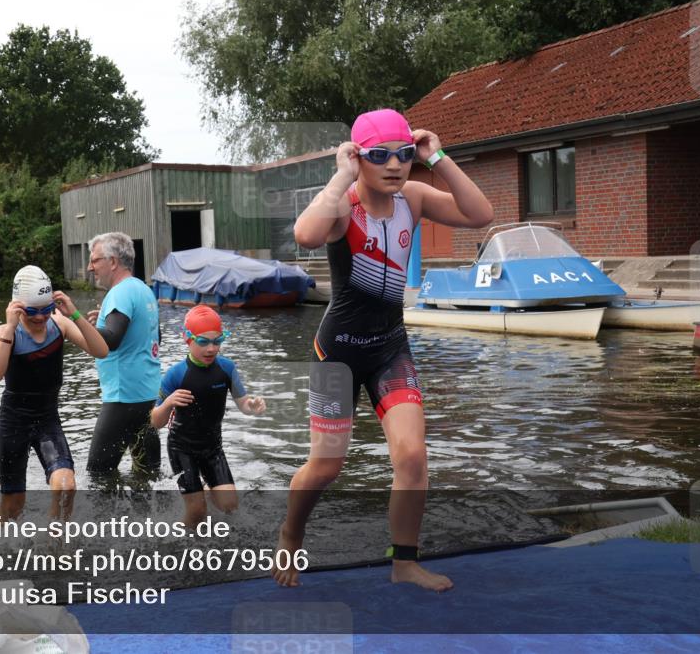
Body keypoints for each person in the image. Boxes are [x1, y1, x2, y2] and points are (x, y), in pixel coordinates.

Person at [273, 109, 493, 591]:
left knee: (413, 456)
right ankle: (292, 531)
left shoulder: (412, 198)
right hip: (337, 356)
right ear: (358, 158)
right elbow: (306, 234)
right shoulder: (343, 207)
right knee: (326, 465)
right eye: (379, 156)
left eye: (403, 155)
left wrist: (438, 157)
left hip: (390, 349)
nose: (395, 166)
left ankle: (404, 562)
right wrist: (341, 175)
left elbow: (480, 215)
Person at [0, 266, 108, 523]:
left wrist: (73, 313)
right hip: (14, 424)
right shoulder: (6, 333)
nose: (41, 317)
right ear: (18, 307)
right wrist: (9, 327)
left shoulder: (59, 324)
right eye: (32, 311)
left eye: (46, 309)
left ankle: (55, 546)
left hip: (47, 419)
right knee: (13, 505)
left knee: (66, 486)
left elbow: (101, 351)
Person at [150, 305, 265, 527]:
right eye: (203, 342)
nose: (211, 348)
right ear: (188, 339)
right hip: (182, 449)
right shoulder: (176, 374)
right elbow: (155, 421)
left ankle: (202, 489)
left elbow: (244, 405)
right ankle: (176, 543)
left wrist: (253, 405)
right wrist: (169, 403)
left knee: (229, 505)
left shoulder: (226, 368)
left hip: (212, 448)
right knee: (196, 512)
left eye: (217, 341)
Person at [84, 232, 162, 477]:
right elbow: (154, 335)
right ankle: (148, 516)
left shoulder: (119, 293)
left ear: (113, 261)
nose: (90, 267)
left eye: (95, 260)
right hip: (147, 394)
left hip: (123, 397)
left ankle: (108, 517)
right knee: (147, 475)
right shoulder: (143, 289)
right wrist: (102, 325)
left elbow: (112, 342)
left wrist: (77, 323)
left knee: (98, 473)